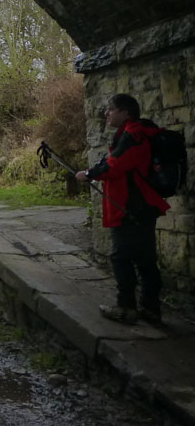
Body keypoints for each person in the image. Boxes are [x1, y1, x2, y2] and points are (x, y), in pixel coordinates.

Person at [75, 94, 170, 324]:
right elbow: (113, 161)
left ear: (126, 112)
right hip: (141, 206)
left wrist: (88, 175)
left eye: (111, 109)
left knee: (122, 257)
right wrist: (94, 171)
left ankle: (127, 308)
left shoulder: (132, 135)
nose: (107, 113)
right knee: (145, 258)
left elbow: (115, 166)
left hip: (130, 207)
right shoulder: (134, 133)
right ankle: (151, 309)